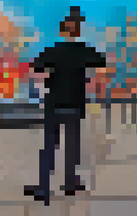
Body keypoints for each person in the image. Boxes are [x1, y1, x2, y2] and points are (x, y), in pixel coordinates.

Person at [25, 16, 107, 204]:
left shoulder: (52, 50)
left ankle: (43, 187)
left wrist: (49, 75)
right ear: (78, 31)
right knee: (72, 145)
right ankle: (70, 184)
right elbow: (101, 65)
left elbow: (37, 68)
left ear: (61, 32)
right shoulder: (85, 50)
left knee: (49, 145)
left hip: (54, 103)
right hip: (75, 103)